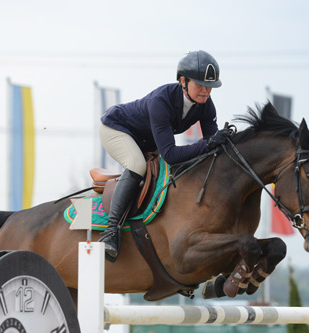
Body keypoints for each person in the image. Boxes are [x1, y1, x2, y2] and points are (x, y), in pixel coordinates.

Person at [98, 50, 233, 262]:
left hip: (147, 140)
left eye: (210, 87)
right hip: (117, 129)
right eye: (200, 85)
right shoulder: (162, 101)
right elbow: (171, 154)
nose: (206, 91)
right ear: (183, 81)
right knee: (136, 165)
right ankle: (110, 232)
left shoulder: (206, 105)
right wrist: (208, 145)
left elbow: (212, 146)